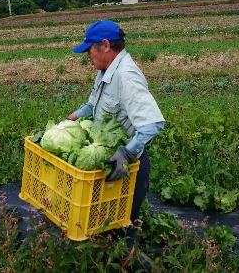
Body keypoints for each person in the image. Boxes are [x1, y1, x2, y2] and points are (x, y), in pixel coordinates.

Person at [66, 20, 165, 272]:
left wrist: (125, 154)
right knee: (105, 225)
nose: (87, 54)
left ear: (105, 46)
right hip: (109, 164)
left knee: (123, 231)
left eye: (90, 48)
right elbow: (92, 106)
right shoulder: (105, 73)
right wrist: (70, 120)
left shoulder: (125, 76)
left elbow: (152, 123)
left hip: (127, 168)